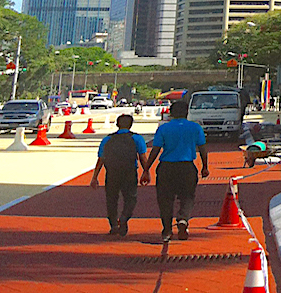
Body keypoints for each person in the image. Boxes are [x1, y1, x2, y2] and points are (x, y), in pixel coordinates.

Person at [141, 96, 208, 242]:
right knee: (188, 196)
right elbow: (202, 148)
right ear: (187, 113)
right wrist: (205, 167)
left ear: (171, 113)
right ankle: (183, 218)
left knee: (165, 199)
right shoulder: (195, 127)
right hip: (187, 167)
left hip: (167, 168)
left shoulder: (164, 128)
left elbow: (155, 149)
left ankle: (167, 230)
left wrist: (146, 169)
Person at [89, 114, 146, 236]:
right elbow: (142, 157)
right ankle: (124, 217)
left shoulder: (107, 139)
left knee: (111, 199)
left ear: (117, 124)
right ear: (131, 125)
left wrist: (95, 177)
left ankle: (113, 224)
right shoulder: (137, 138)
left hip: (112, 172)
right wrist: (146, 172)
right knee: (131, 198)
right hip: (129, 172)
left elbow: (101, 158)